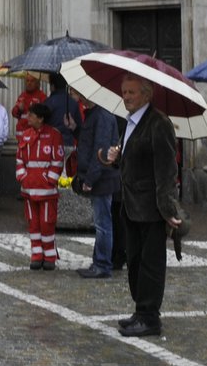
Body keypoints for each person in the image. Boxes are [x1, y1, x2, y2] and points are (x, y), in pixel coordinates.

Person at [105, 72, 182, 338]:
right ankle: (140, 310)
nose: (126, 97)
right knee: (135, 262)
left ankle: (150, 317)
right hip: (131, 206)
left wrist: (168, 208)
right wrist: (116, 157)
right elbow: (133, 159)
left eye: (131, 92)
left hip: (151, 207)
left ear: (146, 95)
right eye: (124, 92)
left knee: (150, 264)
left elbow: (166, 169)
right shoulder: (130, 123)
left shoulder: (158, 123)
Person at [71, 83, 120, 279]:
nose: (74, 95)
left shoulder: (103, 115)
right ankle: (98, 262)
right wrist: (75, 129)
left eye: (76, 91)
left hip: (102, 179)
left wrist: (90, 179)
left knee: (103, 224)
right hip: (99, 177)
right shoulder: (93, 114)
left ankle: (102, 265)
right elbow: (88, 141)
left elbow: (100, 149)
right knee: (101, 223)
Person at [17, 102, 64, 269]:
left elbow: (58, 160)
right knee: (33, 223)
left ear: (41, 118)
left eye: (31, 115)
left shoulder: (54, 135)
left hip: (47, 191)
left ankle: (49, 257)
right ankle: (36, 255)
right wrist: (23, 177)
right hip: (29, 189)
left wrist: (49, 180)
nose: (28, 117)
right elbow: (19, 159)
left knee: (47, 223)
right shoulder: (26, 135)